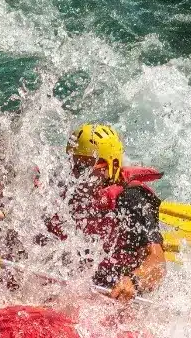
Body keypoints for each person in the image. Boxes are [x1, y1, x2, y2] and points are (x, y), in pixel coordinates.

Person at [65, 122, 166, 300]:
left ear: (109, 166)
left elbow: (158, 263)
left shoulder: (132, 199)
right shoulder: (71, 193)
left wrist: (133, 281)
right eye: (72, 165)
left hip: (120, 291)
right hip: (86, 281)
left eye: (83, 168)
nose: (75, 175)